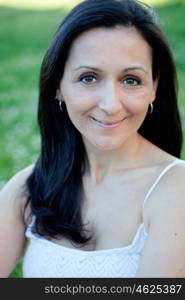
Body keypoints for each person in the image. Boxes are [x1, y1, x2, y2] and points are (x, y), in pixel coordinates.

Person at [0, 0, 185, 278]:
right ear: (58, 86)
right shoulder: (30, 187)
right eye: (88, 78)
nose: (111, 104)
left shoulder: (175, 192)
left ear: (154, 87)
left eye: (131, 80)